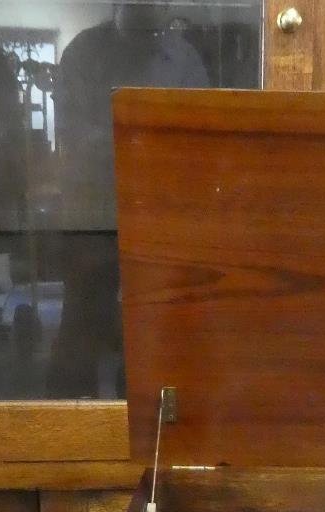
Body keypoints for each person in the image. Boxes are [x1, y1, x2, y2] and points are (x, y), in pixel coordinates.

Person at [46, 4, 209, 396]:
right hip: (93, 216)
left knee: (156, 329)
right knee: (81, 323)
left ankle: (147, 421)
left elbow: (201, 145)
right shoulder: (82, 53)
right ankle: (67, 432)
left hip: (161, 219)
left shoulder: (185, 60)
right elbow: (72, 138)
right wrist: (141, 141)